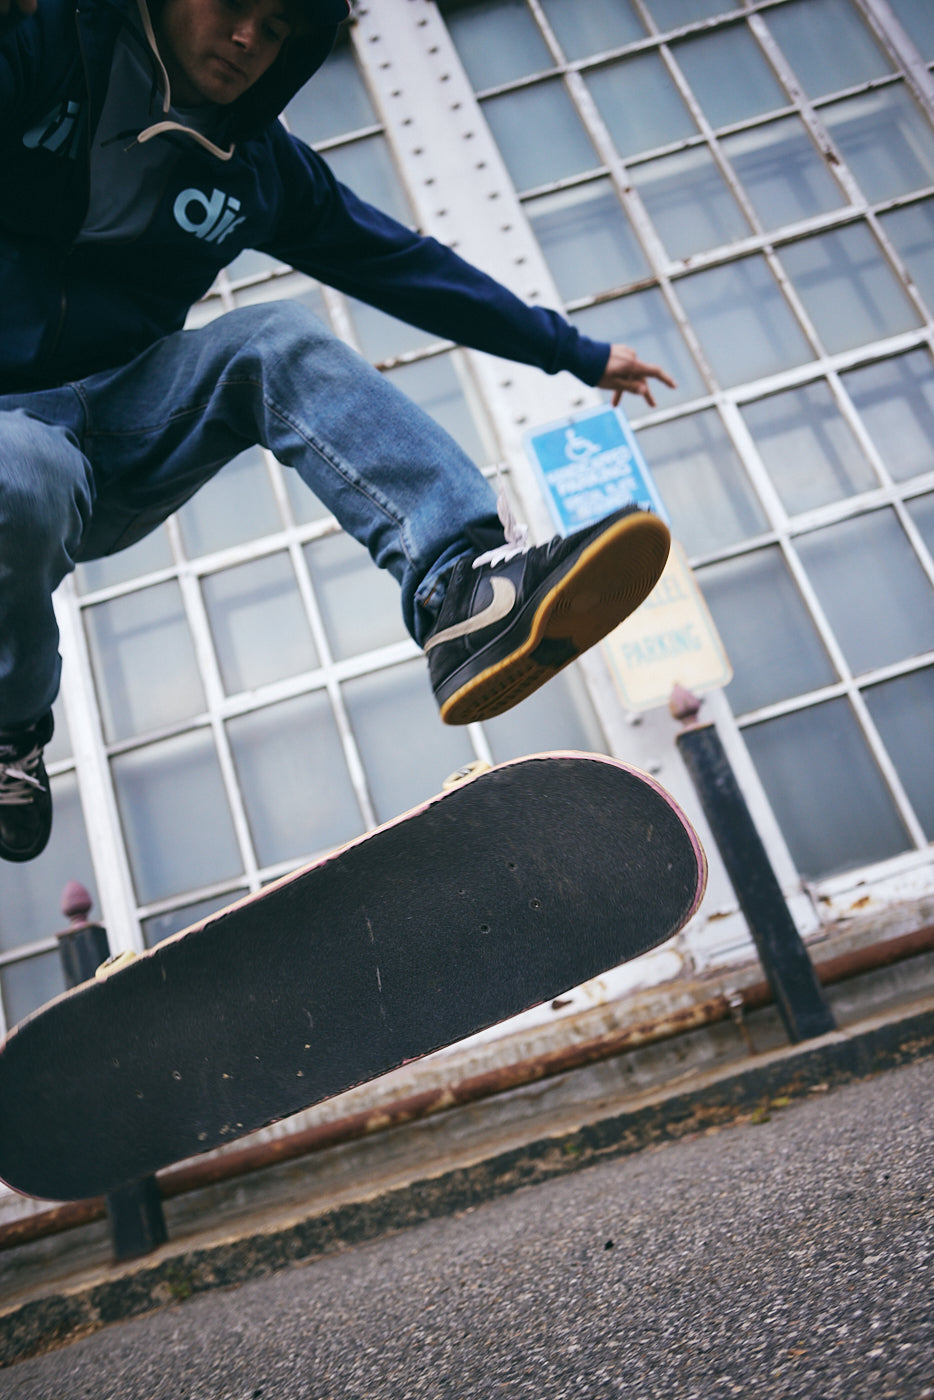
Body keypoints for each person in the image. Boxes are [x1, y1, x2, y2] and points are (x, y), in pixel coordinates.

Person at [0, 0, 676, 864]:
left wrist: (573, 352)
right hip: (15, 440)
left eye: (279, 28)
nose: (249, 40)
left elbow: (401, 264)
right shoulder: (48, 46)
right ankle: (11, 720)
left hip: (121, 431)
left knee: (275, 340)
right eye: (232, 7)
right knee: (18, 466)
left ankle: (456, 591)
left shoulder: (261, 169)